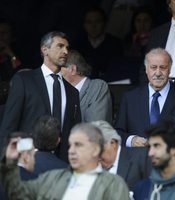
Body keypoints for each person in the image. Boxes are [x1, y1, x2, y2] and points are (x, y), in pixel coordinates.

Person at [0, 31, 81, 162]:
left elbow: (74, 131)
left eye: (67, 47)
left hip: (61, 164)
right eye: (60, 46)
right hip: (27, 160)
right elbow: (9, 124)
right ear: (45, 50)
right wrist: (4, 161)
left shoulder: (72, 92)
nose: (66, 51)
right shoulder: (24, 80)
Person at [0, 123, 130, 200]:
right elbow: (17, 193)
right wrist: (10, 163)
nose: (71, 151)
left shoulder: (114, 184)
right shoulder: (53, 178)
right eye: (70, 145)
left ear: (96, 149)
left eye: (78, 145)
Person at [115, 48, 175, 165]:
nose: (158, 73)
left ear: (169, 70)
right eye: (153, 67)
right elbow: (117, 132)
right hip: (136, 168)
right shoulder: (129, 98)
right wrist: (131, 140)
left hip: (173, 169)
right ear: (146, 70)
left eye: (163, 68)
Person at [132, 120, 175, 200]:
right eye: (149, 147)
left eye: (157, 146)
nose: (150, 153)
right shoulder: (142, 188)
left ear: (174, 148)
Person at [91, 120, 151, 189]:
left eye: (97, 150)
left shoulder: (142, 158)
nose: (95, 156)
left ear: (113, 143)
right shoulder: (91, 167)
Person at [61, 50, 113, 123]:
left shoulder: (96, 87)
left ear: (72, 69)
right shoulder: (59, 90)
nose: (55, 72)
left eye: (59, 67)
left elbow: (94, 127)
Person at [73, 6, 123, 78]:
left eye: (97, 21)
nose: (93, 26)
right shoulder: (77, 44)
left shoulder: (116, 44)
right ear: (84, 25)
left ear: (105, 23)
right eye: (89, 22)